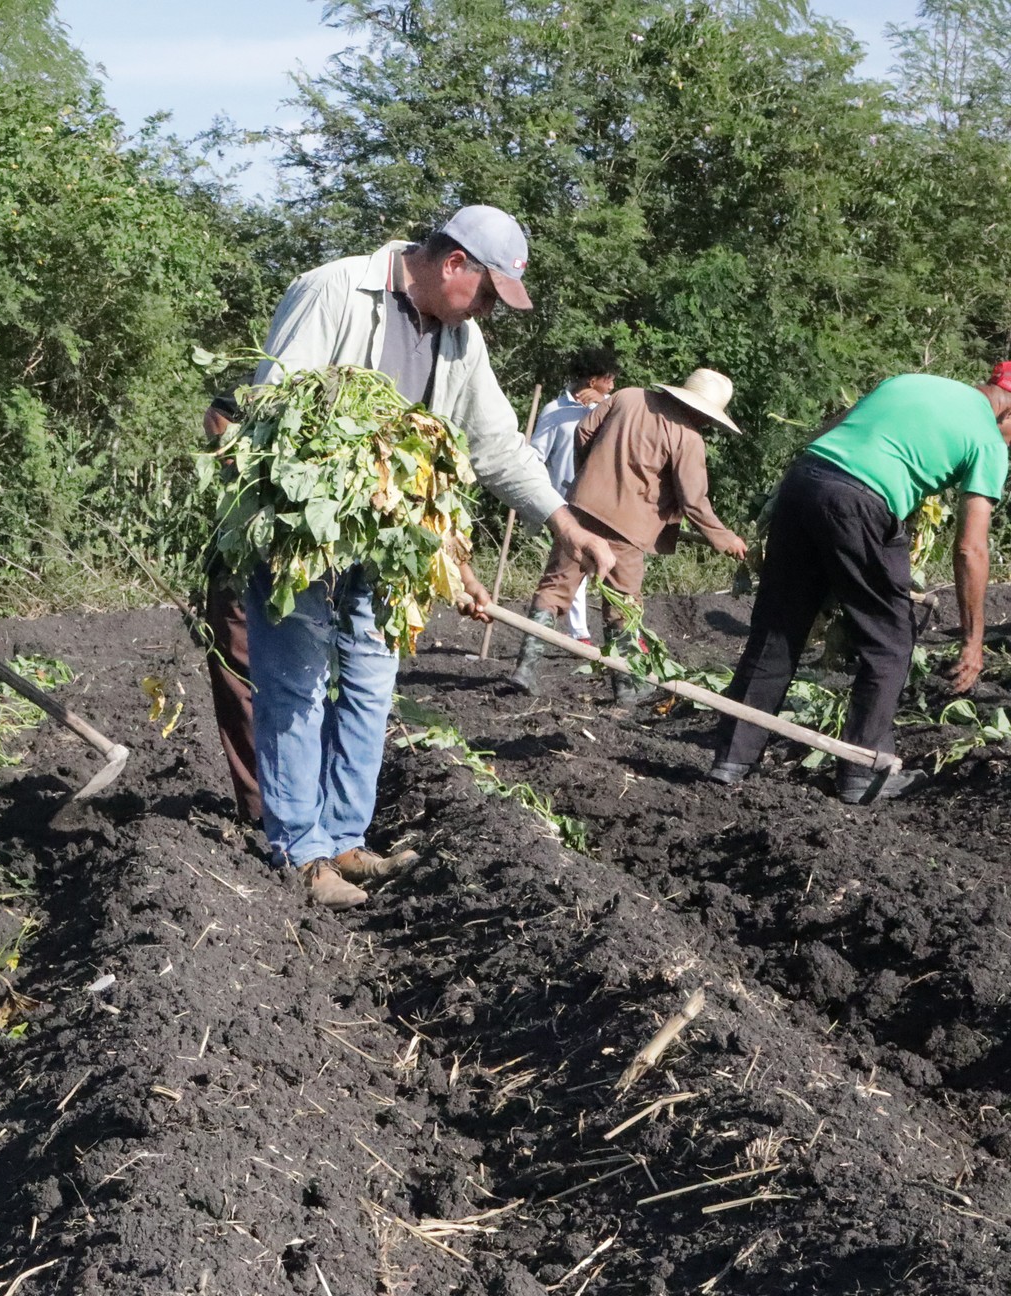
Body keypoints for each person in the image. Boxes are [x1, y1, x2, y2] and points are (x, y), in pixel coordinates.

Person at [242, 206, 618, 910]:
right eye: (487, 293)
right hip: (305, 535)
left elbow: (497, 445)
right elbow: (274, 408)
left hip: (390, 546)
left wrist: (565, 524)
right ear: (453, 264)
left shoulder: (460, 338)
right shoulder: (335, 290)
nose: (487, 310)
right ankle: (299, 852)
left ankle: (344, 839)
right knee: (295, 688)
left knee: (370, 683)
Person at [710, 368, 1011, 803]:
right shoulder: (987, 441)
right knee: (889, 643)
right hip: (859, 503)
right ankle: (861, 774)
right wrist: (973, 638)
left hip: (804, 480)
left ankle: (732, 759)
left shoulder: (911, 381)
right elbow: (971, 548)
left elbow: (830, 429)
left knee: (778, 628)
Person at [509, 368, 748, 701]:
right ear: (701, 411)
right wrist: (725, 538)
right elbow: (694, 501)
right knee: (623, 605)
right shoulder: (688, 437)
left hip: (580, 511)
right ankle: (625, 687)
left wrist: (590, 477)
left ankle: (525, 668)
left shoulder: (628, 396)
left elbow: (583, 431)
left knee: (554, 587)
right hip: (628, 531)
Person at [528, 347, 620, 642]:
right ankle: (579, 633)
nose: (613, 385)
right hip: (566, 502)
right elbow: (536, 455)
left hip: (604, 501)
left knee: (607, 563)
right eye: (609, 379)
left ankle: (613, 631)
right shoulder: (555, 412)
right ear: (593, 381)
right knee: (572, 562)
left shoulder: (611, 410)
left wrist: (603, 405)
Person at [198, 394, 261, 825]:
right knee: (244, 684)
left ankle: (275, 813)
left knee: (247, 684)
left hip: (267, 567)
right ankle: (270, 813)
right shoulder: (256, 390)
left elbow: (217, 416)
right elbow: (217, 414)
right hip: (244, 563)